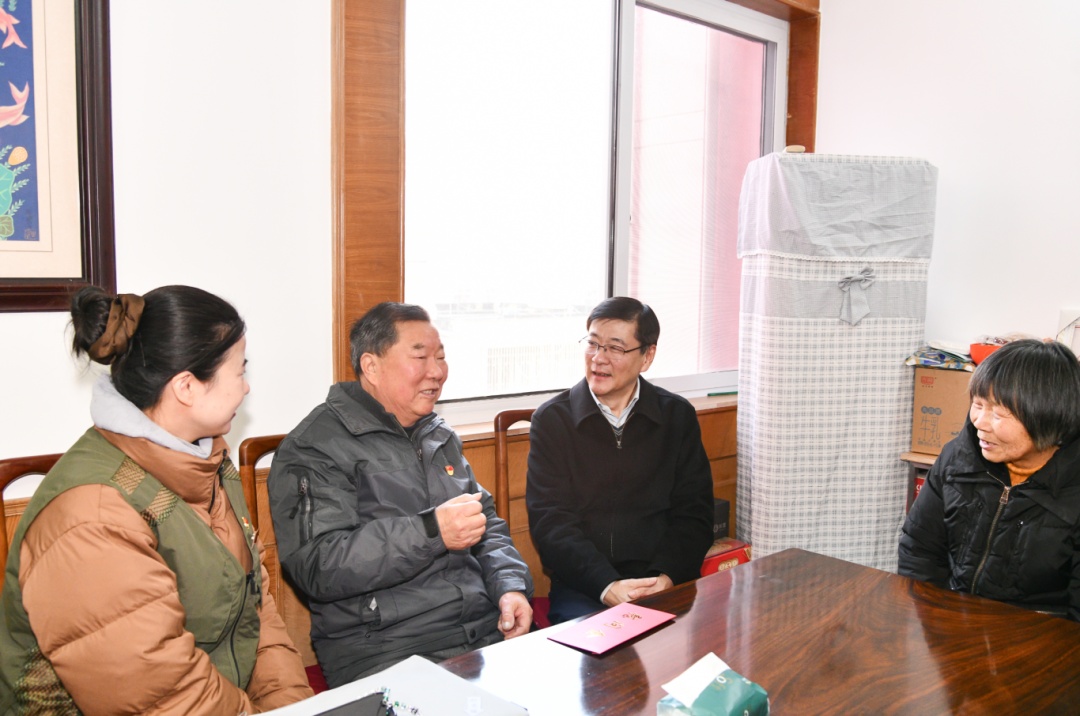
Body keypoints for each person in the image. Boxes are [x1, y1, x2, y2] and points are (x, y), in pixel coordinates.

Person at [0, 286, 313, 714]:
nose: (245, 388)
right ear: (186, 387)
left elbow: (256, 612)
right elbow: (162, 698)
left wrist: (291, 707)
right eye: (239, 371)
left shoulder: (207, 462)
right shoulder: (92, 516)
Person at [268, 302, 533, 686]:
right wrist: (432, 531)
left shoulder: (436, 433)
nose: (437, 371)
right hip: (385, 648)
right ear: (371, 366)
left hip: (482, 628)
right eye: (420, 357)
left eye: (441, 356)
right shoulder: (315, 446)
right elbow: (318, 566)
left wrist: (510, 588)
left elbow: (485, 520)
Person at [525, 297, 715, 623]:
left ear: (647, 356)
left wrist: (666, 577)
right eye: (593, 344)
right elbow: (551, 523)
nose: (599, 359)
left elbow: (694, 513)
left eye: (615, 348)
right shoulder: (553, 420)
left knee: (697, 643)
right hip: (586, 585)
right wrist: (607, 585)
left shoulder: (676, 416)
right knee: (598, 652)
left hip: (662, 579)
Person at [899, 338, 1080, 620]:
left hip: (1040, 634)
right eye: (978, 404)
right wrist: (935, 619)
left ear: (1049, 415)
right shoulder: (957, 458)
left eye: (998, 413)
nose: (980, 423)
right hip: (954, 621)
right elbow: (920, 549)